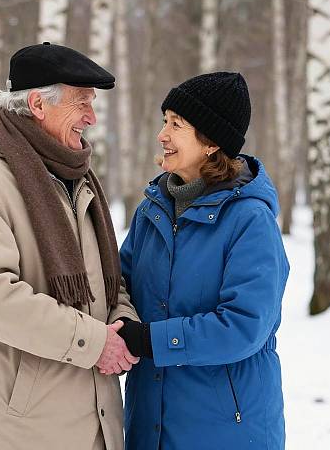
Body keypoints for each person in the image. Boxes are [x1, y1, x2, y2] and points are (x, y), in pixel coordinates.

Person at [0, 42, 140, 450]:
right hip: (23, 430)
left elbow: (106, 281)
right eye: (81, 103)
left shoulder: (76, 180)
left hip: (95, 421)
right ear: (38, 105)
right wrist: (95, 343)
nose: (92, 118)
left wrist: (122, 319)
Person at [116, 72, 290, 450]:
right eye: (165, 121)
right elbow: (119, 283)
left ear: (211, 143)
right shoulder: (152, 211)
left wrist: (150, 340)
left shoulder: (249, 220)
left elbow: (243, 326)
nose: (162, 134)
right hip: (150, 424)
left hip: (225, 430)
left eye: (176, 124)